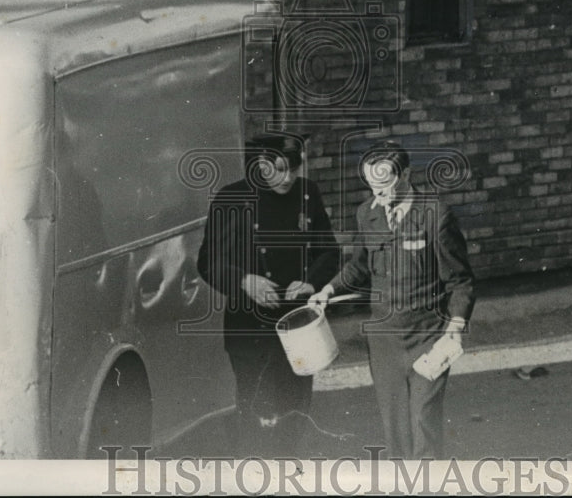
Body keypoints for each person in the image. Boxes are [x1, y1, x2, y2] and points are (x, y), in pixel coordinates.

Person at [309, 140, 475, 459]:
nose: (378, 196)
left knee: (423, 420)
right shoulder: (367, 214)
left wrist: (455, 325)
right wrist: (327, 290)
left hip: (427, 336)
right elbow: (359, 266)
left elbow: (461, 280)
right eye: (372, 187)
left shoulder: (434, 216)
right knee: (395, 429)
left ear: (406, 175)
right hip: (384, 341)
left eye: (384, 187)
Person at [197, 133, 339, 457]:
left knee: (295, 413)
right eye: (280, 169)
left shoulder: (308, 194)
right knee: (256, 417)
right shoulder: (231, 199)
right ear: (260, 164)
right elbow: (207, 262)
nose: (289, 177)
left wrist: (309, 282)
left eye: (294, 168)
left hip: (298, 329)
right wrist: (244, 281)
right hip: (250, 332)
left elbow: (328, 252)